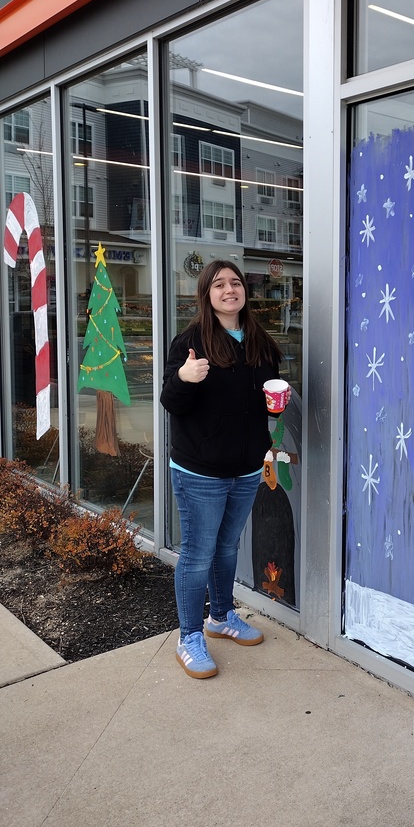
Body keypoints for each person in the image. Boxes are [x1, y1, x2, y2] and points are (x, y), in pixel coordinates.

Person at [160, 259, 286, 679]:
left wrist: (274, 410)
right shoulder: (191, 342)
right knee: (198, 555)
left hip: (247, 467)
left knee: (228, 548)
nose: (229, 289)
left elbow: (265, 394)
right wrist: (183, 376)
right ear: (206, 294)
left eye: (235, 282)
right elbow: (171, 402)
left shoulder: (259, 342)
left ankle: (221, 617)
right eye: (219, 284)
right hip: (201, 470)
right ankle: (190, 636)